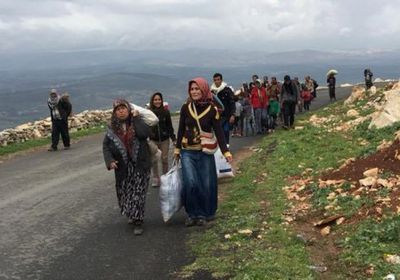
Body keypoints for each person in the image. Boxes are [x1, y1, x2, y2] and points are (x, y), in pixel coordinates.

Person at [174, 77, 233, 227]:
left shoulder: (212, 110)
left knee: (206, 183)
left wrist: (225, 151)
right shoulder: (185, 108)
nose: (194, 92)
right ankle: (193, 213)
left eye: (197, 89)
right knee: (191, 183)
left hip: (205, 151)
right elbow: (181, 129)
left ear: (204, 90)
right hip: (187, 151)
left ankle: (206, 213)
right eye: (192, 89)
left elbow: (219, 131)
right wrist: (177, 149)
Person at [102, 99, 152, 235]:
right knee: (125, 193)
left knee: (138, 193)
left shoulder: (137, 121)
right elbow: (106, 146)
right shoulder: (112, 128)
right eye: (118, 109)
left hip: (140, 164)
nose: (121, 111)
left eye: (123, 108)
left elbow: (145, 134)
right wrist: (110, 161)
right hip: (122, 167)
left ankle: (138, 220)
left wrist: (136, 119)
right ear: (115, 112)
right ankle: (131, 212)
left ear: (128, 109)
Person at [148, 92, 176, 187]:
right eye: (155, 100)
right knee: (154, 159)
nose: (157, 101)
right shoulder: (149, 112)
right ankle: (156, 178)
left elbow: (169, 126)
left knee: (164, 158)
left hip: (164, 139)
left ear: (162, 100)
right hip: (153, 140)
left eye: (159, 99)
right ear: (152, 101)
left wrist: (174, 139)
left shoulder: (165, 112)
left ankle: (165, 177)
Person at [210, 73, 235, 145]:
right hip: (216, 116)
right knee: (218, 133)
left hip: (226, 115)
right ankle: (220, 148)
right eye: (215, 80)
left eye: (218, 80)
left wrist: (232, 115)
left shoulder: (227, 90)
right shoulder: (212, 92)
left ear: (221, 80)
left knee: (226, 131)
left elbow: (232, 102)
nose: (216, 81)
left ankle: (226, 147)